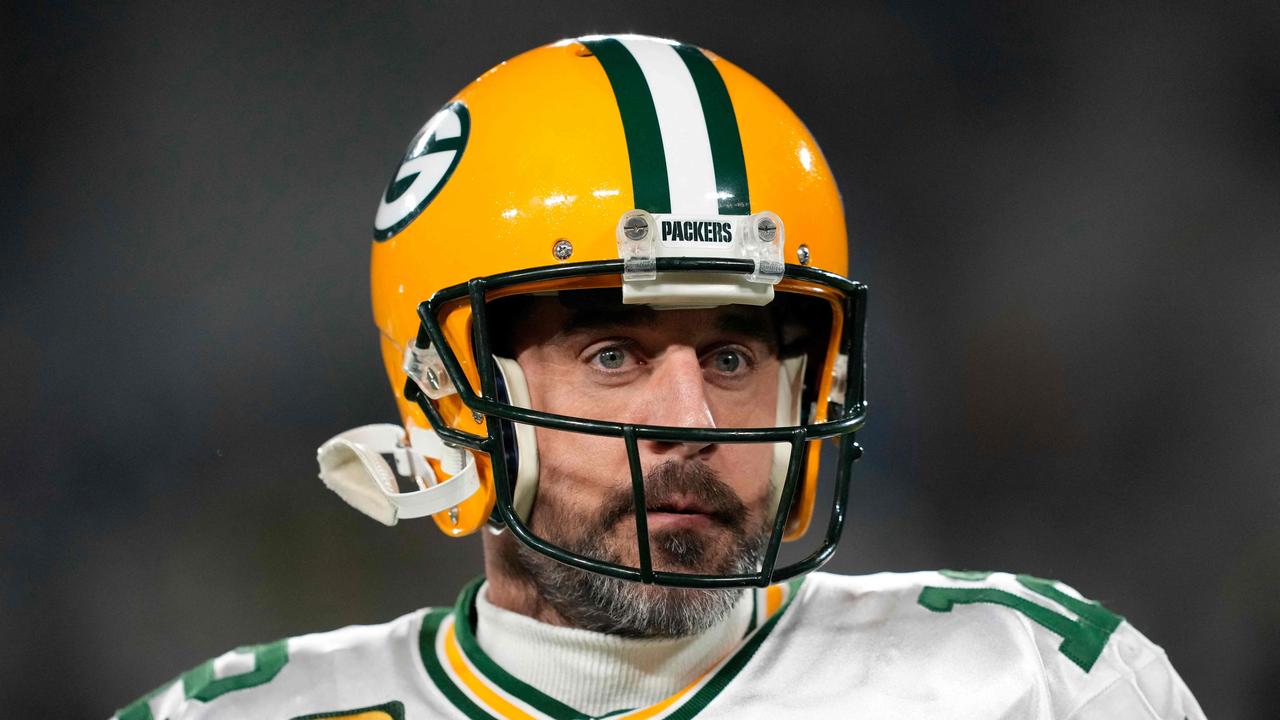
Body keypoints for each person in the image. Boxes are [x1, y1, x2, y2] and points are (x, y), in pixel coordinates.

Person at [112, 34, 1205, 720]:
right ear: (447, 393)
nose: (688, 419)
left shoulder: (1032, 681)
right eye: (611, 355)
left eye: (731, 356)